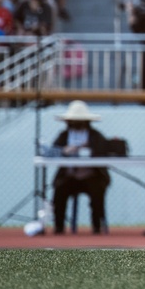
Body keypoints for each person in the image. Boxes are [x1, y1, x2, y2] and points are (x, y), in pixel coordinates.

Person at [49, 100, 113, 234]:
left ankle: (97, 226)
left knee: (97, 191)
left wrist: (89, 148)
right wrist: (65, 151)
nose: (77, 125)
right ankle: (59, 226)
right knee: (59, 190)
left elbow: (104, 152)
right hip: (70, 176)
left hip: (91, 175)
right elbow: (51, 152)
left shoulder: (95, 136)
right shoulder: (64, 136)